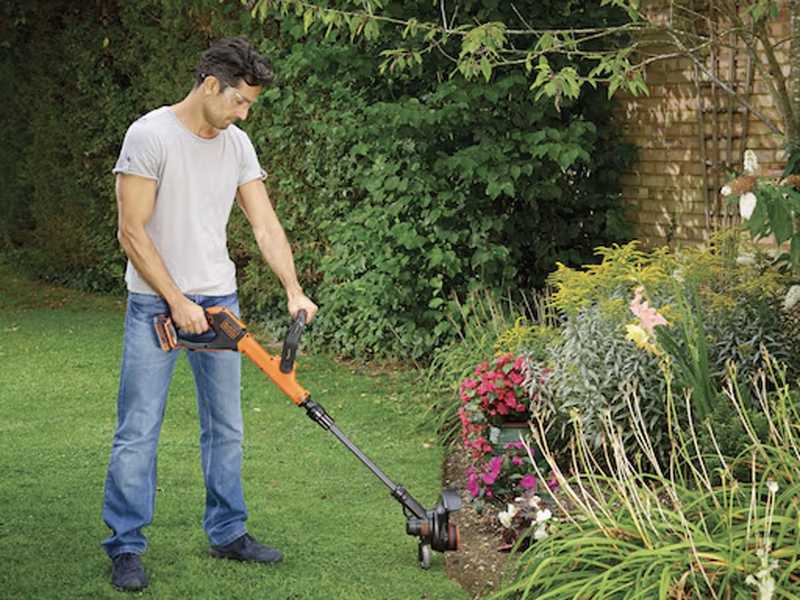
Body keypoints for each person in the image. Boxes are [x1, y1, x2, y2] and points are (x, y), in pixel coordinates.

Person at [101, 36, 318, 592]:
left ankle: (227, 531)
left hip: (220, 302)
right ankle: (125, 545)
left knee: (226, 427)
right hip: (157, 304)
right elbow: (132, 231)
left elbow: (265, 224)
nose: (244, 113)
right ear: (210, 85)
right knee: (139, 428)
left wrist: (294, 288)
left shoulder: (236, 143)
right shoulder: (149, 136)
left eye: (249, 105)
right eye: (239, 101)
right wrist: (176, 300)